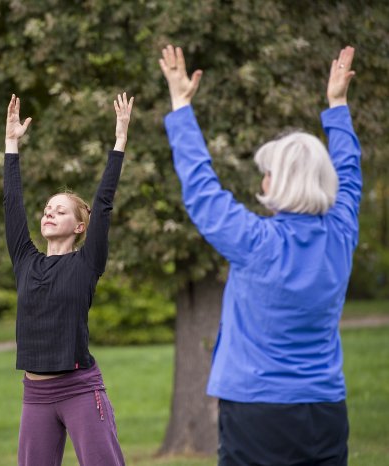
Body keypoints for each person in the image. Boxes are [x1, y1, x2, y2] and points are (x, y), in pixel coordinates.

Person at [159, 44, 360, 465]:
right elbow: (350, 169)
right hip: (324, 410)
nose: (263, 180)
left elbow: (201, 189)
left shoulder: (255, 241)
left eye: (268, 172)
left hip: (256, 411)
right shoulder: (341, 232)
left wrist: (181, 106)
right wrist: (337, 105)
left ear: (280, 182)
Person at [3, 92, 133, 466]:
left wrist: (119, 141)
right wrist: (11, 144)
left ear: (79, 226)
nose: (48, 214)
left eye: (59, 211)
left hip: (80, 388)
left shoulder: (87, 263)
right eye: (46, 209)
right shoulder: (25, 260)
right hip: (35, 394)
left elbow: (104, 204)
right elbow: (12, 204)